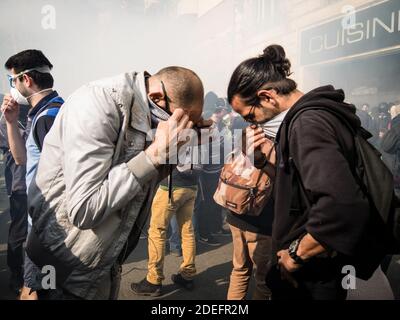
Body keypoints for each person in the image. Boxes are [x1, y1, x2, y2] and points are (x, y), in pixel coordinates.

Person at [26, 67, 207, 300]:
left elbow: (138, 187)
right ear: (156, 98)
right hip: (64, 266)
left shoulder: (146, 111)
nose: (183, 130)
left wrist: (178, 149)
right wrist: (154, 154)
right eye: (181, 123)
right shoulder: (97, 105)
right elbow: (84, 210)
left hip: (101, 261)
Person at [227, 44, 387, 300]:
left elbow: (343, 205)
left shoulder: (307, 124)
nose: (252, 123)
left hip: (318, 273)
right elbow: (299, 188)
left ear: (267, 97)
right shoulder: (308, 119)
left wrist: (296, 254)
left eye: (250, 115)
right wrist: (260, 161)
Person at [1, 49, 64, 300]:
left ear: (26, 80)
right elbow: (21, 159)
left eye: (12, 80)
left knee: (37, 292)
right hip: (39, 223)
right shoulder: (41, 112)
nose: (12, 86)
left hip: (46, 227)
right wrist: (10, 121)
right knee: (35, 290)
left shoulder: (49, 117)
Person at [131, 167, 199, 296]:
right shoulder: (201, 144)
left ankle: (153, 281)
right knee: (187, 231)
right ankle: (187, 275)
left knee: (157, 232)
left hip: (171, 186)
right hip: (191, 185)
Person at [0, 106, 27, 296]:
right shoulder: (5, 121)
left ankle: (44, 278)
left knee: (43, 234)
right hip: (19, 186)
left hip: (43, 185)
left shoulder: (39, 114)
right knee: (18, 233)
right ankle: (16, 274)